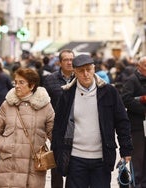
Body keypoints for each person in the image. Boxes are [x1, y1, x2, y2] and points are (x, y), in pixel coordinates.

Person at [51, 54, 133, 188]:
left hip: (102, 158)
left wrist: (126, 150)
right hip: (75, 158)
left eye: (88, 69)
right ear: (75, 72)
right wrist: (57, 150)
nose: (85, 74)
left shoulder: (109, 92)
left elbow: (122, 122)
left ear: (94, 69)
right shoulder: (67, 94)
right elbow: (59, 125)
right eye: (81, 71)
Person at [0, 67, 55, 187]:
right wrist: (5, 146)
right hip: (9, 166)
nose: (17, 86)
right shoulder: (7, 104)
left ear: (32, 85)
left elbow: (54, 134)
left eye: (21, 82)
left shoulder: (45, 106)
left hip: (34, 168)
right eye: (16, 82)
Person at [43, 49, 75, 188]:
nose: (69, 62)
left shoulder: (80, 78)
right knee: (56, 169)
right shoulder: (50, 79)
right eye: (66, 60)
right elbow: (44, 104)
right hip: (57, 130)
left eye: (71, 59)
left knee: (74, 169)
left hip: (76, 130)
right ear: (60, 62)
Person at [121, 56, 146, 187]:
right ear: (139, 67)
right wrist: (143, 109)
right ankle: (138, 184)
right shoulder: (132, 80)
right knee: (138, 158)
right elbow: (125, 99)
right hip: (137, 127)